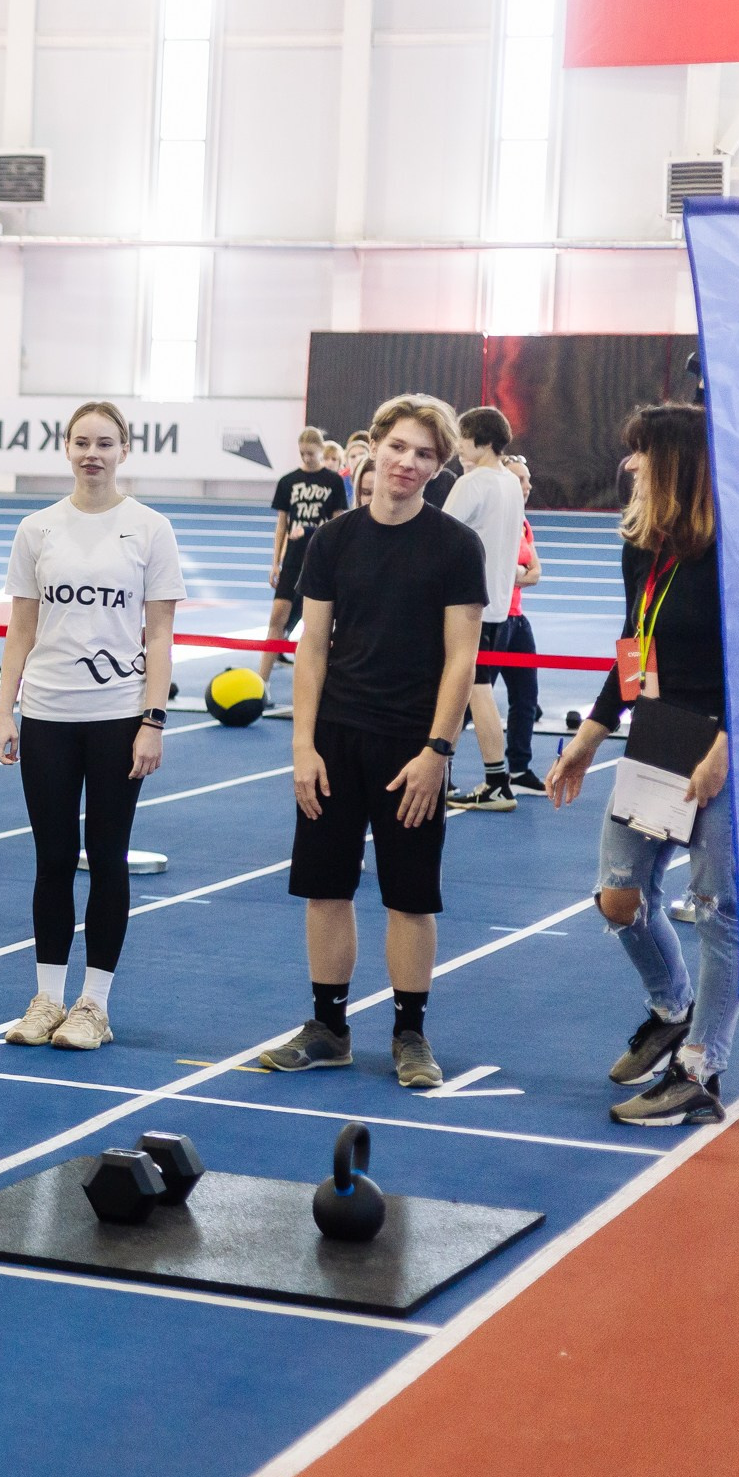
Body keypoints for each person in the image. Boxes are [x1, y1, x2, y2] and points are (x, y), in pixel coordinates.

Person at [258, 395, 485, 1088]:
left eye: (425, 454)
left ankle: (410, 1033)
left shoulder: (456, 546)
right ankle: (328, 1028)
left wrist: (438, 751)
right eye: (399, 448)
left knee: (410, 896)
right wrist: (303, 746)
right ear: (374, 449)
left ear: (438, 467)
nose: (408, 463)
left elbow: (462, 659)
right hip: (335, 739)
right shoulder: (332, 541)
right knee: (325, 887)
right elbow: (313, 649)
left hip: (411, 746)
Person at [547, 404, 730, 1125]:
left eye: (643, 453)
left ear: (678, 464)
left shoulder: (731, 549)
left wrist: (723, 751)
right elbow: (635, 647)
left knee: (718, 912)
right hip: (658, 736)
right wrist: (591, 736)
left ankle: (700, 1069)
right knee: (618, 896)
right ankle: (673, 1009)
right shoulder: (643, 546)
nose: (630, 465)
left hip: (723, 745)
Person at [0, 403, 183, 1051]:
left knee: (106, 856)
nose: (92, 453)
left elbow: (160, 634)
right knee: (51, 860)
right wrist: (6, 710)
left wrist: (153, 719)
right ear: (66, 448)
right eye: (81, 442)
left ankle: (93, 1004)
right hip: (47, 713)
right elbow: (21, 626)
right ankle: (47, 997)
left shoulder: (150, 529)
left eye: (104, 442)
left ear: (125, 449)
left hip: (118, 717)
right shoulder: (37, 528)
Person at [441, 406, 528, 812]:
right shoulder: (510, 483)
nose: (458, 445)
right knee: (466, 691)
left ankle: (497, 781)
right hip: (499, 605)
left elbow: (440, 536)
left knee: (475, 692)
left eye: (464, 437)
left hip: (468, 606)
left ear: (484, 441)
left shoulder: (473, 483)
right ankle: (446, 771)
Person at [259, 427, 346, 686]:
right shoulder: (288, 481)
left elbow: (338, 523)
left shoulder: (333, 481)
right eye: (302, 453)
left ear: (321, 450)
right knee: (277, 617)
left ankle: (316, 684)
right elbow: (281, 526)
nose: (307, 458)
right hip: (294, 558)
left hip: (321, 560)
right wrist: (275, 563)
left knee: (316, 624)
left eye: (311, 453)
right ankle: (261, 682)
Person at [497, 455, 544, 794]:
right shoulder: (494, 522)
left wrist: (515, 574)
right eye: (519, 479)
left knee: (526, 697)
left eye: (527, 479)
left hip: (518, 621)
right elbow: (493, 572)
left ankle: (519, 768)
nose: (527, 486)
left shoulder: (523, 524)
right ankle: (444, 763)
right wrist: (514, 573)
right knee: (470, 700)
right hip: (493, 620)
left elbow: (536, 573)